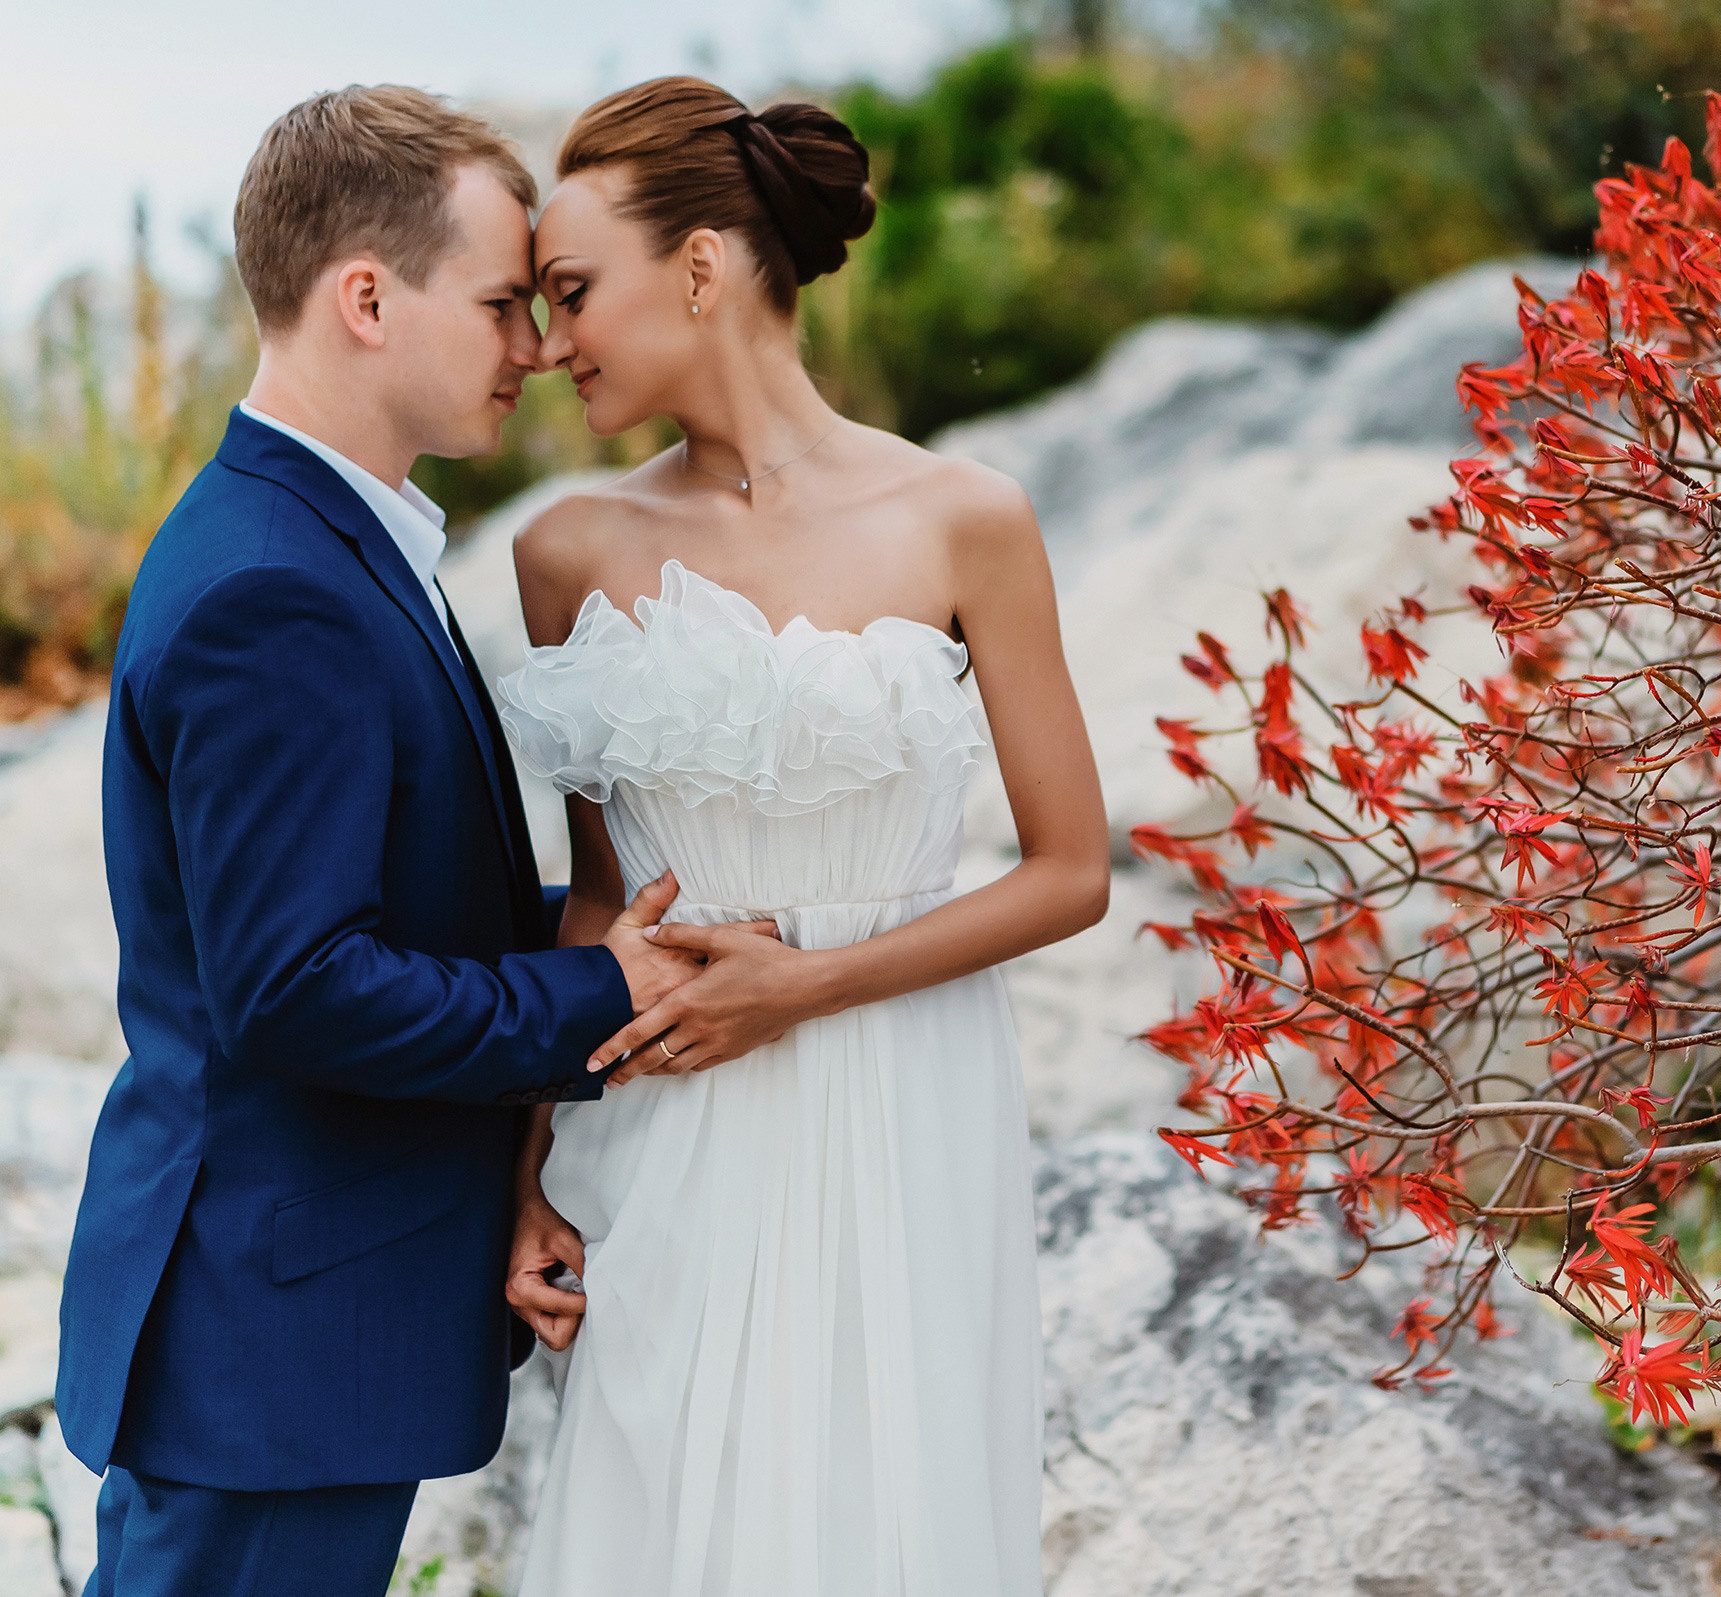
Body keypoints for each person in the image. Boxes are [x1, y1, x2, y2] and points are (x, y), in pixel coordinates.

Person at [55, 87, 758, 1597]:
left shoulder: (324, 538)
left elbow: (390, 903)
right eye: (502, 302)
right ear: (366, 300)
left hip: (290, 1334)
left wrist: (648, 920)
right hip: (270, 1351)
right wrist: (601, 990)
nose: (536, 347)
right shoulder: (275, 588)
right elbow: (298, 987)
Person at [495, 76, 1107, 1596]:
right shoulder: (565, 550)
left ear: (701, 266)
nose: (549, 342)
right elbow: (598, 902)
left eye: (573, 291)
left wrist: (805, 987)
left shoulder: (965, 517)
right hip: (665, 1114)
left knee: (879, 1516)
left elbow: (1070, 871)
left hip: (901, 1096)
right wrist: (526, 1177)